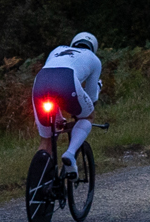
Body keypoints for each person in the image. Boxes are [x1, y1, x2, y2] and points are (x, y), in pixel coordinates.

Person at [31, 31, 103, 175]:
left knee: (47, 140)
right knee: (87, 117)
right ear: (93, 47)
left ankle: (38, 184)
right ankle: (70, 154)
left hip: (40, 83)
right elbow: (91, 96)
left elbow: (52, 77)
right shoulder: (94, 59)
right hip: (67, 81)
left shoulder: (57, 50)